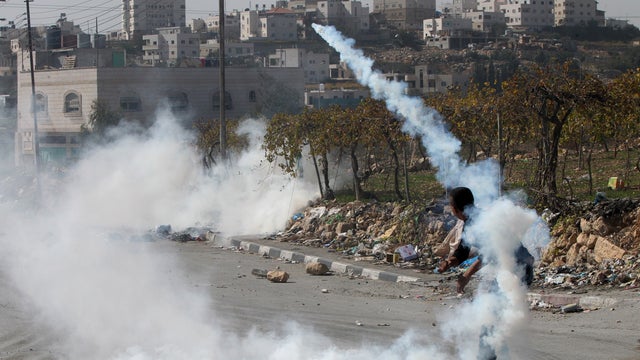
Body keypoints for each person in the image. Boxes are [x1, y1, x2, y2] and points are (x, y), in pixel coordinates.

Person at [434, 187, 534, 294]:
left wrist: (467, 274)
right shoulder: (471, 222)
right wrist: (448, 263)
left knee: (494, 304)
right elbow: (462, 251)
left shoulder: (479, 222)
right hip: (511, 269)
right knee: (494, 303)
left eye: (451, 205)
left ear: (456, 208)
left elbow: (490, 254)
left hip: (519, 268)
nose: (450, 207)